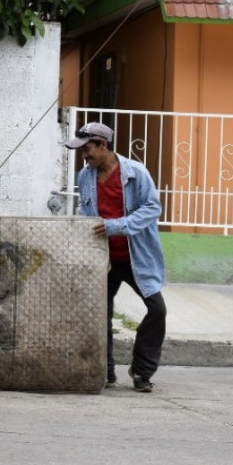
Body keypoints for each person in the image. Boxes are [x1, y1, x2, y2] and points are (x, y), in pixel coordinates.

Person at [65, 121, 166, 392]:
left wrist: (116, 225)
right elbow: (88, 216)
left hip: (136, 257)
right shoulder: (85, 176)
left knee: (157, 310)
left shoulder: (136, 173)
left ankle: (142, 371)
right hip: (104, 258)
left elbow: (152, 208)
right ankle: (106, 371)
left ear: (103, 145)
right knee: (101, 314)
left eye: (87, 149)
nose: (84, 156)